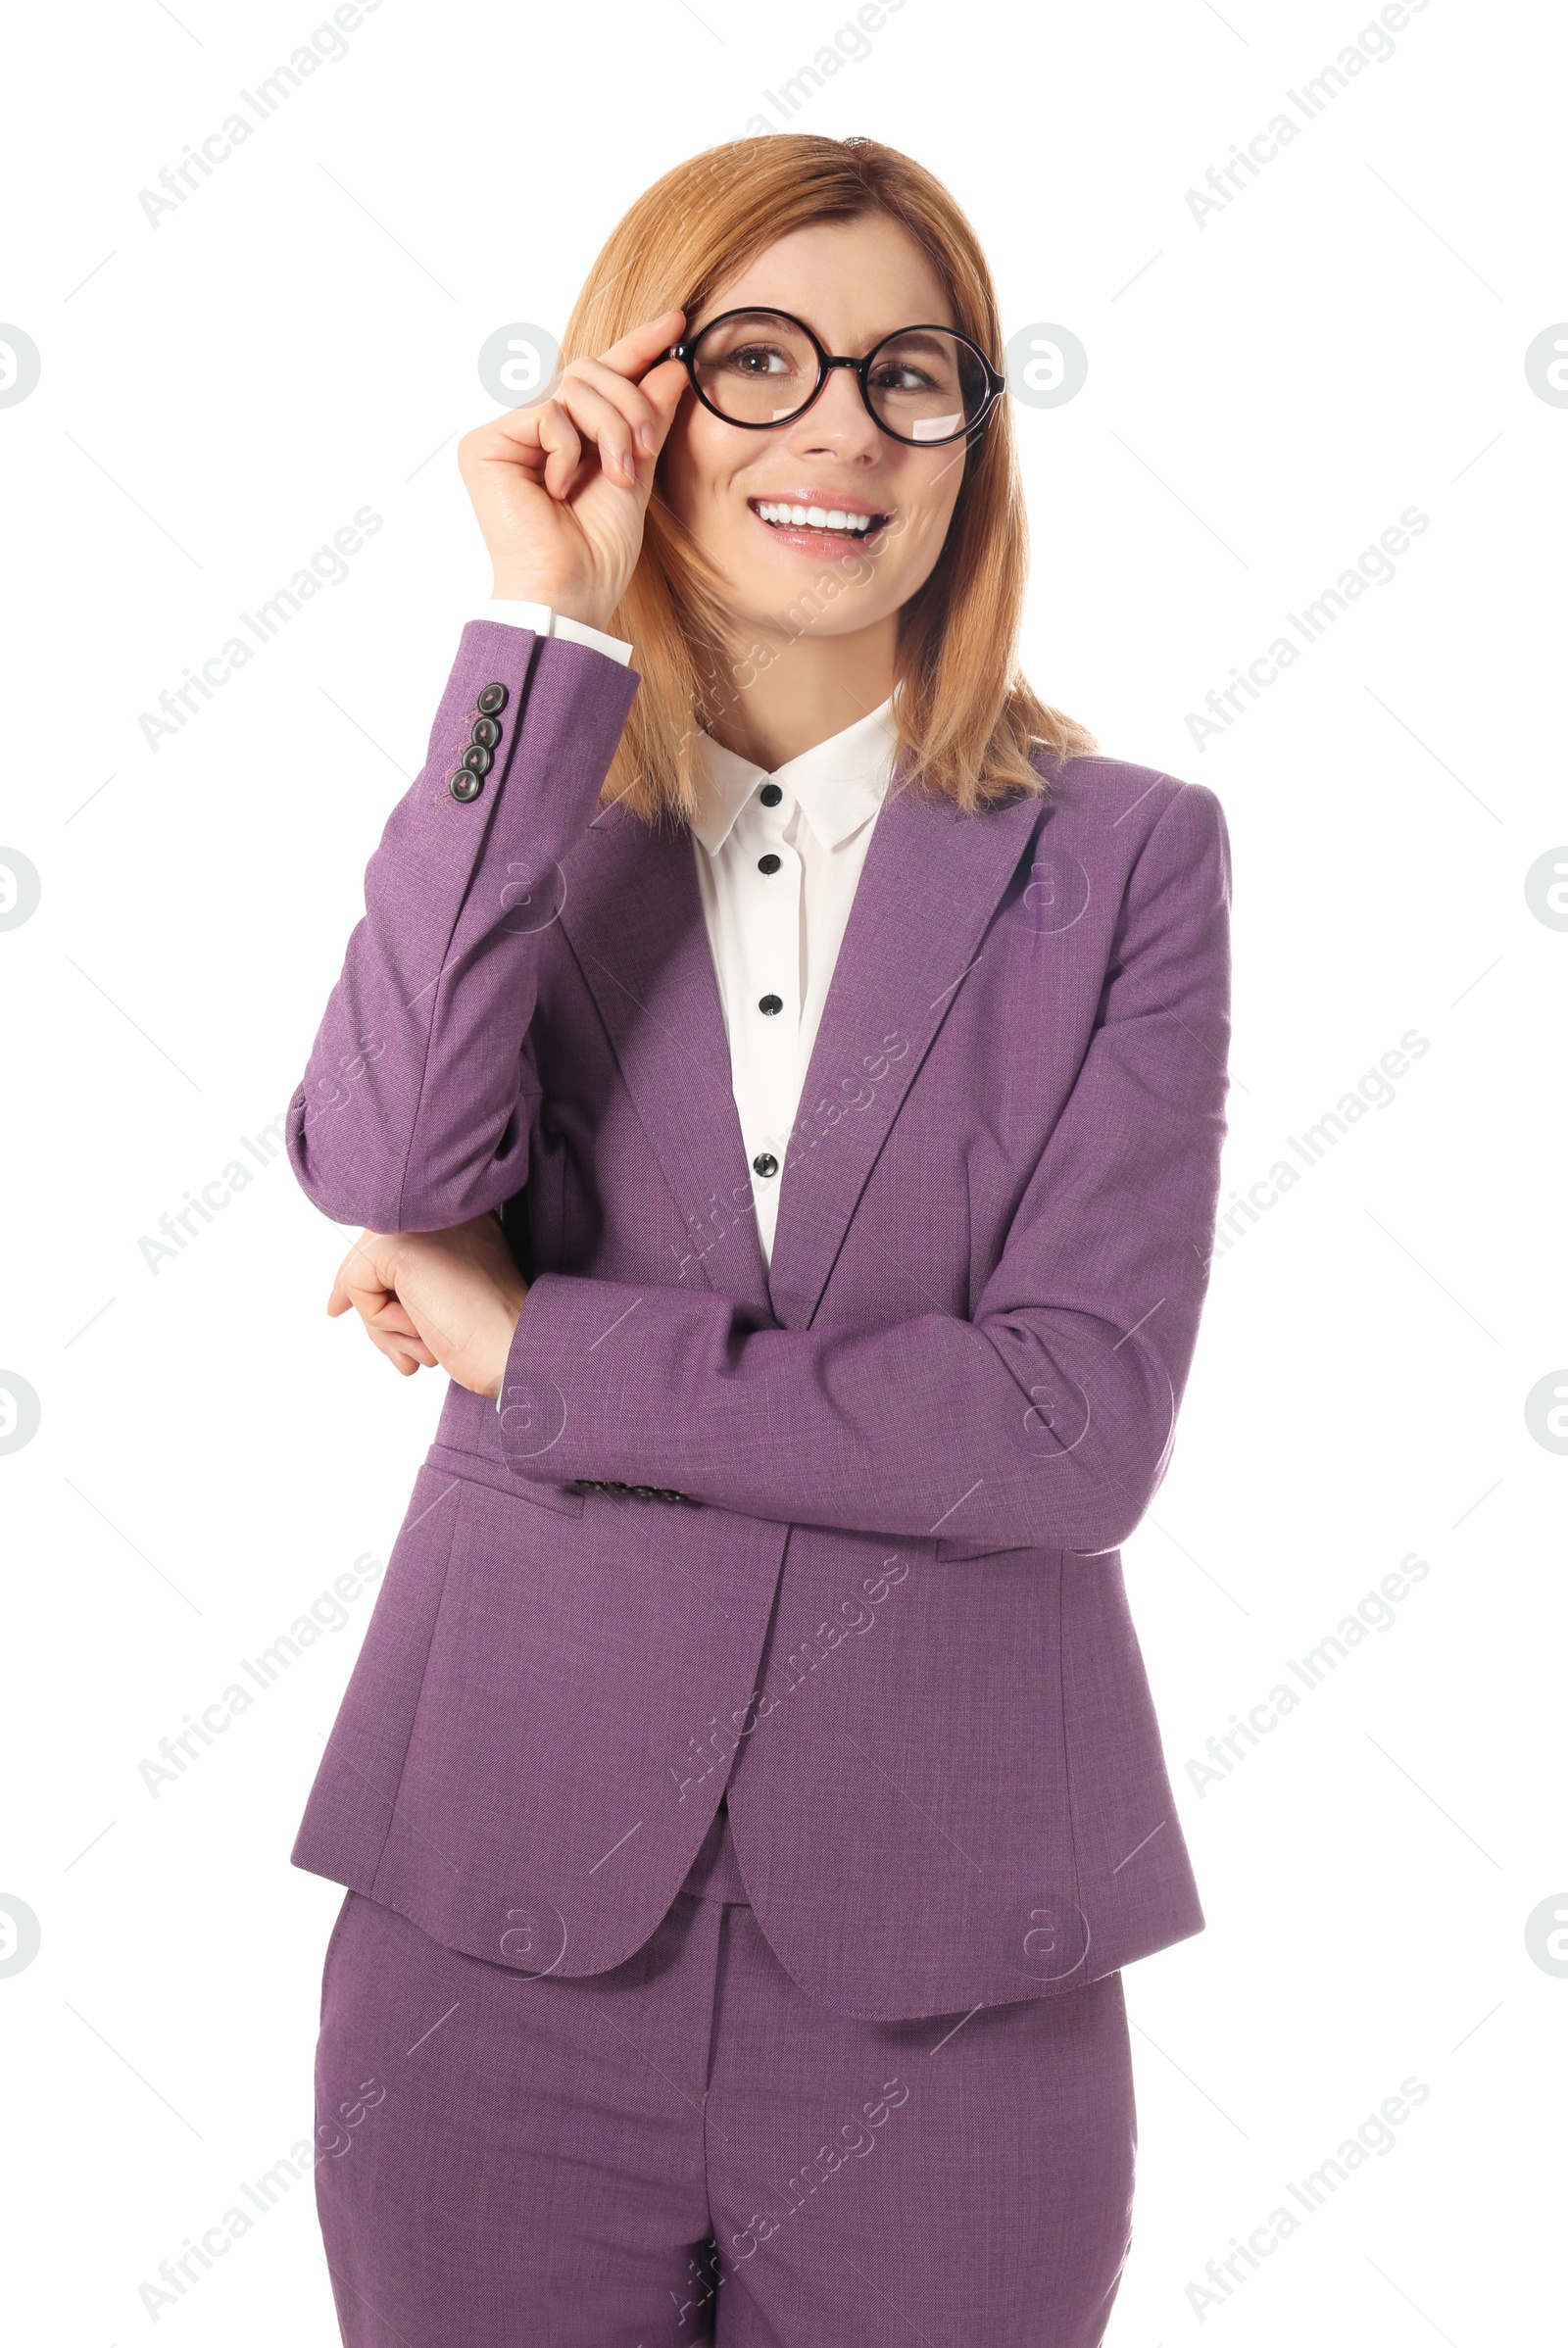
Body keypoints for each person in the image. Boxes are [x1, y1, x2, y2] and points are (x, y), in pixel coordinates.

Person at [288, 131, 1233, 2348]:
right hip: (490, 1933)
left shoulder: (1122, 863)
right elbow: (383, 1150)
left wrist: (539, 1354)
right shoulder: (523, 804)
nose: (838, 427)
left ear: (971, 441)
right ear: (638, 398)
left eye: (911, 372)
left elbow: (1064, 1431)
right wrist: (540, 619)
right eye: (759, 359)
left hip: (953, 1957)